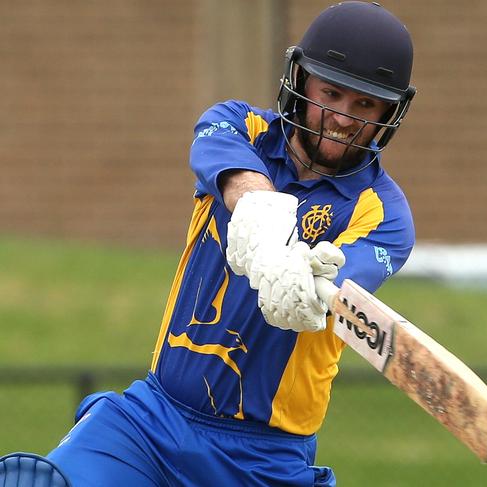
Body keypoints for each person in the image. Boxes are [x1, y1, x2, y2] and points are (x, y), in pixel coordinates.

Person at [3, 2, 417, 486]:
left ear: (389, 112)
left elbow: (347, 280)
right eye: (331, 93)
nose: (342, 118)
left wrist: (311, 286)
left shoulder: (384, 212)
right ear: (301, 82)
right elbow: (224, 160)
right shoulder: (240, 126)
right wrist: (261, 213)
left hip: (263, 459)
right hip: (151, 423)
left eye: (364, 105)